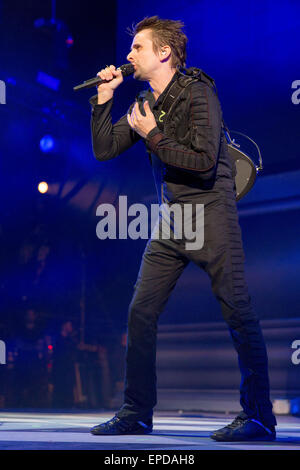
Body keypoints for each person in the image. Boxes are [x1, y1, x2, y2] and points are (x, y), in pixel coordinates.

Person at [88, 16, 277, 441]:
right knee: (141, 311)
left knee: (237, 310)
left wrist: (153, 135)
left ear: (164, 53)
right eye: (131, 49)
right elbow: (104, 149)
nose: (129, 56)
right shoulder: (143, 101)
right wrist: (103, 100)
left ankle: (260, 416)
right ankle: (136, 412)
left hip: (212, 212)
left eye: (138, 48)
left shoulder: (199, 92)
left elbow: (205, 161)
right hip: (173, 220)